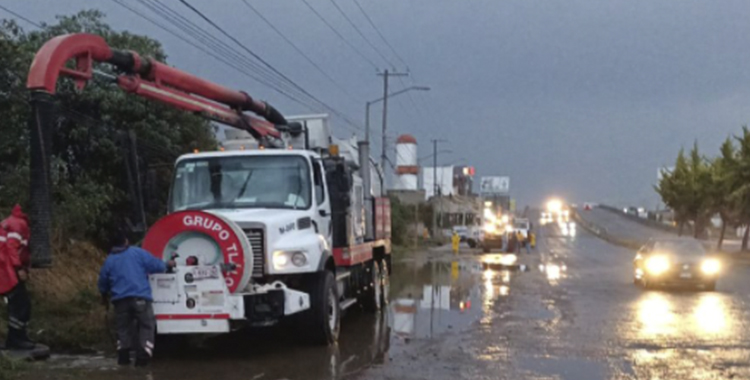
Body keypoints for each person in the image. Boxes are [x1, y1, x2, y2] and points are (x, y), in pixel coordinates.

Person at [98, 231, 175, 367]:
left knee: (123, 329)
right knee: (146, 325)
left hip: (120, 301)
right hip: (140, 298)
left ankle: (123, 358)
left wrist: (104, 296)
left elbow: (103, 281)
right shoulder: (137, 253)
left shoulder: (109, 260)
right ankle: (142, 358)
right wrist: (168, 264)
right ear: (126, 241)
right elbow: (156, 265)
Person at [0, 205, 34, 350]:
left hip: (6, 267)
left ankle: (19, 337)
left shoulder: (10, 222)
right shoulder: (19, 224)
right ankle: (15, 339)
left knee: (21, 303)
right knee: (21, 304)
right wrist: (19, 268)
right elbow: (12, 247)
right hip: (6, 269)